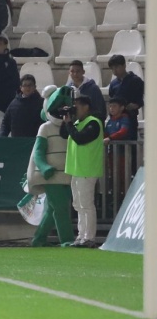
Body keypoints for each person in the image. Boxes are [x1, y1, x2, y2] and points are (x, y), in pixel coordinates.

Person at [25, 85, 76, 246]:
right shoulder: (45, 127)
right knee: (61, 208)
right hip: (51, 176)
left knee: (52, 209)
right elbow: (38, 152)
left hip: (67, 174)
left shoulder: (70, 126)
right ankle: (67, 240)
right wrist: (45, 167)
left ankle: (39, 239)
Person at [64, 95, 104, 247]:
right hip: (77, 169)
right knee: (78, 205)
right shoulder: (76, 123)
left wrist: (69, 125)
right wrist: (66, 120)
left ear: (86, 106)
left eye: (77, 106)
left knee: (87, 205)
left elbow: (80, 139)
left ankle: (89, 237)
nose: (75, 109)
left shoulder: (93, 123)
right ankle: (81, 236)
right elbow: (64, 133)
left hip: (88, 169)